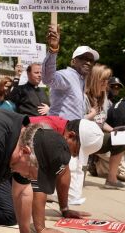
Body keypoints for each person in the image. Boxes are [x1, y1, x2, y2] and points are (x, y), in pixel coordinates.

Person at [0, 117, 116, 233]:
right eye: (75, 151)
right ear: (71, 136)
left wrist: (65, 209)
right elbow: (38, 182)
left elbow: (64, 171)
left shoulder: (62, 135)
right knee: (10, 215)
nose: (73, 155)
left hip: (15, 165)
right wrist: (41, 228)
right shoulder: (46, 130)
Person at [43, 24, 99, 205]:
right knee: (69, 166)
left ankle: (66, 197)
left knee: (74, 167)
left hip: (73, 128)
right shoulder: (67, 75)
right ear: (73, 60)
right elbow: (49, 78)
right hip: (61, 128)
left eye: (91, 60)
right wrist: (52, 50)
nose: (88, 62)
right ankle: (64, 198)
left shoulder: (81, 80)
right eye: (83, 58)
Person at [84, 64, 113, 131]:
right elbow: (76, 122)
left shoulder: (103, 96)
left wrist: (113, 130)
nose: (106, 83)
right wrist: (91, 115)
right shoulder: (84, 98)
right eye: (103, 80)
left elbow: (101, 123)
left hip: (97, 135)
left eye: (107, 79)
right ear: (94, 80)